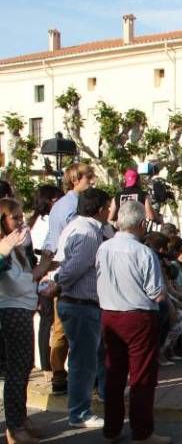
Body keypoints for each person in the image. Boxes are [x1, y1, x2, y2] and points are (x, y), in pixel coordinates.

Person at [96, 200, 171, 444]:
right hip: (138, 316)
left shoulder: (104, 248)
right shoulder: (143, 252)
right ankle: (141, 432)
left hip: (110, 314)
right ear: (141, 224)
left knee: (114, 372)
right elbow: (155, 292)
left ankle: (112, 429)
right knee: (141, 375)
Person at [46, 188, 111, 429]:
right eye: (109, 205)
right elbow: (75, 267)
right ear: (100, 209)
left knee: (86, 358)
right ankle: (79, 413)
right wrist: (57, 284)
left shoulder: (79, 227)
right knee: (82, 362)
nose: (111, 210)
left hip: (78, 304)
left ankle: (84, 407)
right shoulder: (87, 233)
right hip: (80, 304)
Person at [38, 161, 97, 394]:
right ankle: (61, 377)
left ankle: (64, 376)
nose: (92, 180)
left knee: (65, 327)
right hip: (67, 269)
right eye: (88, 177)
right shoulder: (70, 206)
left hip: (67, 268)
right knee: (63, 327)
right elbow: (64, 239)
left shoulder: (65, 204)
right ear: (75, 179)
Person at [0, 199, 41, 444]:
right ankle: (15, 428)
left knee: (24, 366)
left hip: (23, 308)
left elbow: (28, 279)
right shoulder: (5, 248)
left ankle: (20, 421)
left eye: (20, 216)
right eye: (14, 217)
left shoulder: (18, 248)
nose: (20, 221)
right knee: (17, 369)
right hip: (11, 310)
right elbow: (18, 284)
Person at [28, 184, 63, 371]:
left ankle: (44, 362)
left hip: (40, 274)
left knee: (45, 320)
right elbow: (46, 250)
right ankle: (46, 364)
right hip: (45, 275)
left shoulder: (34, 220)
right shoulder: (46, 222)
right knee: (47, 319)